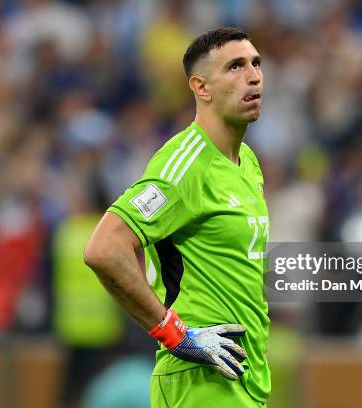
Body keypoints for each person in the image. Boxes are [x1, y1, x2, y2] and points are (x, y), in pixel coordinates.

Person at [84, 27, 270, 407]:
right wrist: (176, 335)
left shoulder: (247, 163)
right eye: (235, 66)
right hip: (200, 381)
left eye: (256, 63)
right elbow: (104, 247)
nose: (253, 75)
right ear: (201, 88)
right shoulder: (184, 164)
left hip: (242, 378)